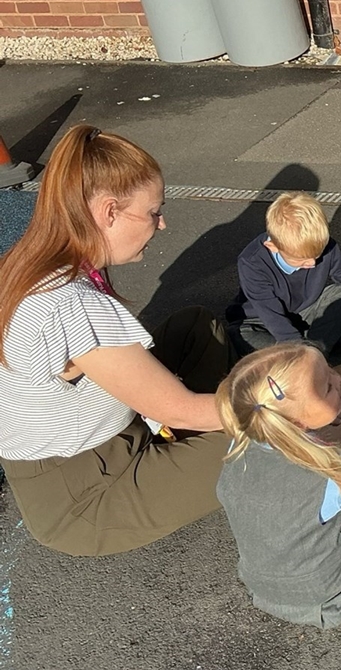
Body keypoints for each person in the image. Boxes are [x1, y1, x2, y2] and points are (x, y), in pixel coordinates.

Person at [0, 125, 234, 556]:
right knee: (274, 440)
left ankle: (185, 447)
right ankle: (194, 448)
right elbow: (177, 407)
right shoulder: (72, 303)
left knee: (195, 326)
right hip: (83, 498)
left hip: (95, 444)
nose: (162, 224)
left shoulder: (33, 259)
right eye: (152, 212)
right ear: (109, 212)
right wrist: (284, 402)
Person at [215, 342, 341, 627]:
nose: (340, 378)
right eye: (327, 386)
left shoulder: (240, 443)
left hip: (261, 581)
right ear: (301, 418)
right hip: (321, 587)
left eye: (331, 372)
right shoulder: (336, 466)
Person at [225, 191, 341, 358]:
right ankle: (314, 352)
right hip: (261, 321)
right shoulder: (252, 262)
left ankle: (307, 354)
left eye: (317, 255)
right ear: (273, 247)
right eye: (301, 260)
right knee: (240, 336)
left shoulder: (326, 246)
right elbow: (274, 318)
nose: (312, 263)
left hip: (305, 311)